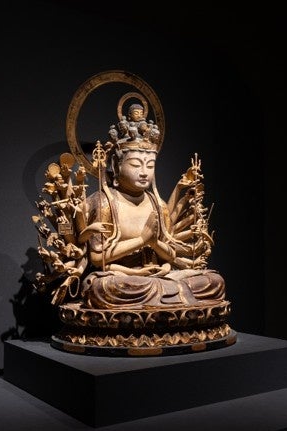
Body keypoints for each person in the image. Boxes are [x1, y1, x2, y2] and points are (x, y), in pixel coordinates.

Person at [74, 104, 226, 310]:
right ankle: (166, 301)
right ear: (117, 167)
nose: (144, 172)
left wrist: (156, 246)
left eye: (150, 165)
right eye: (136, 165)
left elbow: (170, 254)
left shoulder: (157, 204)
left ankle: (164, 299)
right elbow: (97, 258)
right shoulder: (104, 202)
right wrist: (141, 241)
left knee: (213, 282)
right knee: (102, 287)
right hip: (122, 279)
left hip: (157, 276)